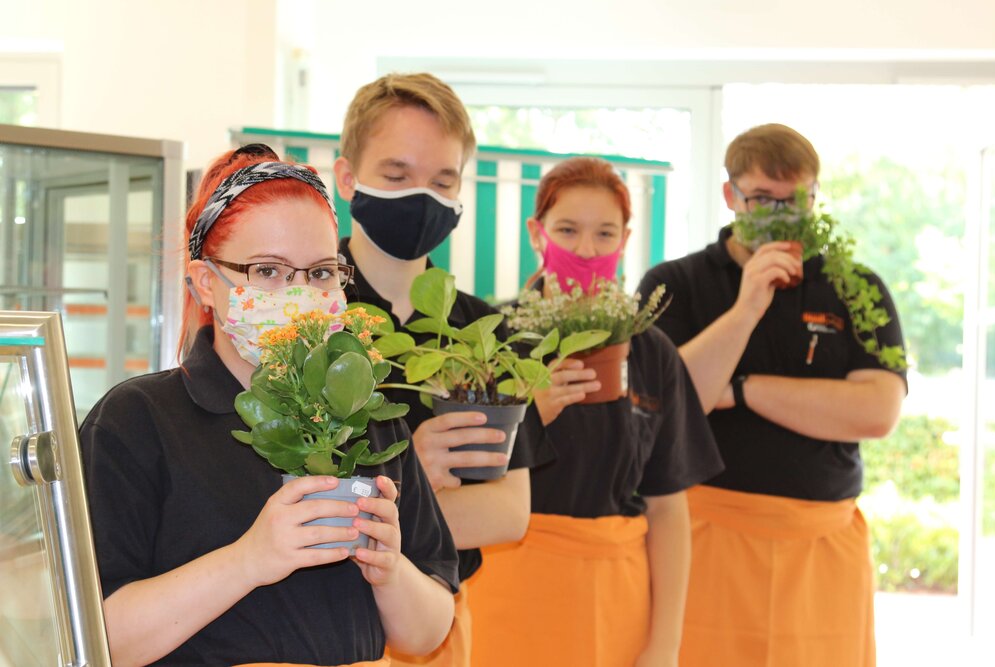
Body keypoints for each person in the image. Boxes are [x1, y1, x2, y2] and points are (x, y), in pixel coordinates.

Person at [80, 144, 458, 667]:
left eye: (322, 272)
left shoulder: (365, 416)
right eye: (268, 270)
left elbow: (428, 632)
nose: (300, 292)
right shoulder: (136, 420)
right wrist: (250, 560)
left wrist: (389, 567)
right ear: (206, 282)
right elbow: (97, 640)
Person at [637, 123, 908, 666]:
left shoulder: (856, 288)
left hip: (822, 544)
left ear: (814, 198)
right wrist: (746, 308)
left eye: (796, 200)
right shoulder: (675, 284)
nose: (781, 213)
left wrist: (741, 388)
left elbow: (877, 411)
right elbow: (667, 405)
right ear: (730, 196)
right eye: (763, 198)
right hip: (702, 537)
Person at [466, 157, 724, 667]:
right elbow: (452, 483)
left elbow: (669, 509)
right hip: (504, 592)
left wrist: (665, 645)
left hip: (616, 607)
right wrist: (529, 413)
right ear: (537, 235)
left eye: (605, 234)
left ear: (625, 239)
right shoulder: (487, 339)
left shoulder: (651, 353)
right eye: (568, 230)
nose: (587, 250)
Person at [331, 73, 541, 667]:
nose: (421, 197)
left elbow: (507, 514)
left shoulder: (486, 336)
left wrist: (371, 506)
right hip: (318, 622)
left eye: (442, 180)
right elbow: (263, 505)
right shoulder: (301, 321)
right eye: (397, 176)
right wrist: (412, 475)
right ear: (347, 178)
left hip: (440, 629)